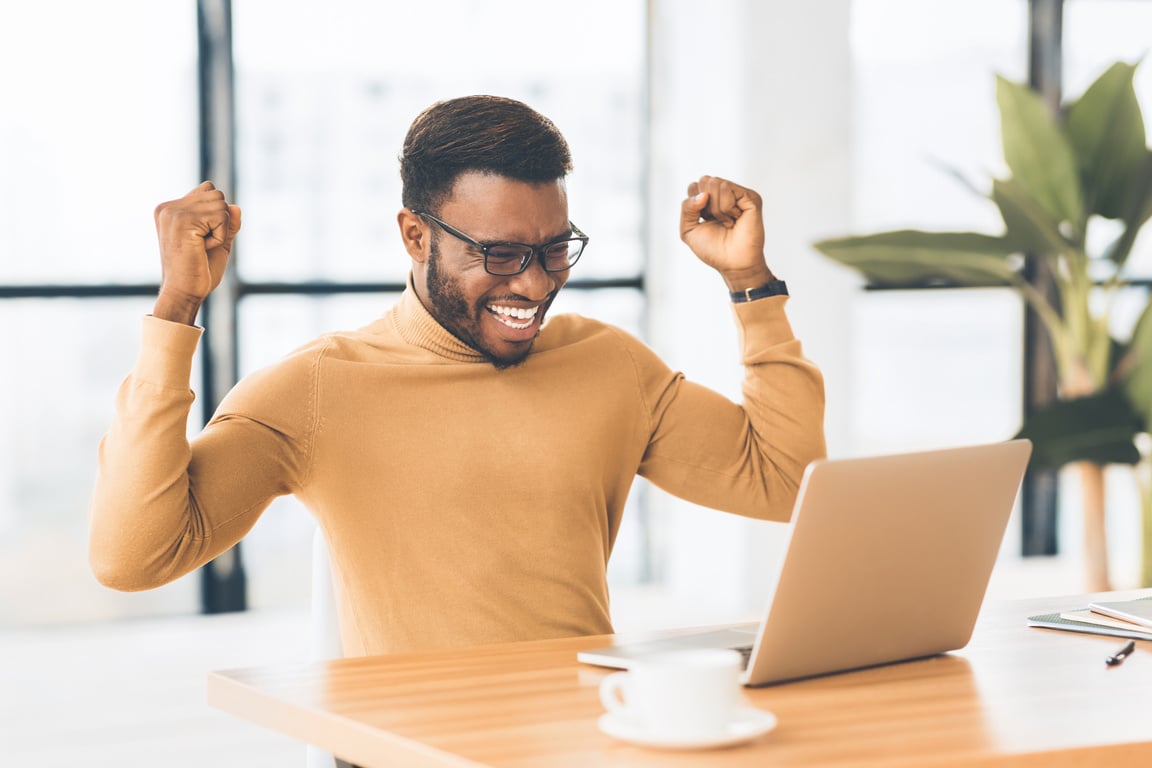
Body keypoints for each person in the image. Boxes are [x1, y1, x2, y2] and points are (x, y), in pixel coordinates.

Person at [89, 95, 826, 658]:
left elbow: (787, 481)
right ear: (415, 236)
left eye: (554, 250)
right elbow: (133, 558)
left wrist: (750, 283)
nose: (535, 286)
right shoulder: (316, 389)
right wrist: (177, 309)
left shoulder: (608, 366)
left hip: (585, 743)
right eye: (500, 254)